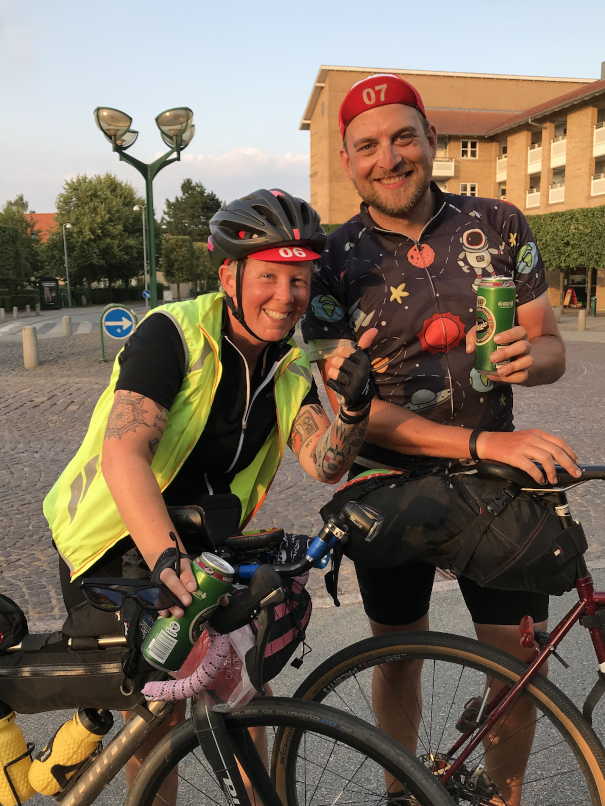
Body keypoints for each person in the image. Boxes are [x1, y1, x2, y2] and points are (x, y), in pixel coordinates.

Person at [43, 188, 376, 806]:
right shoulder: (172, 334)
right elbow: (124, 453)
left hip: (200, 541)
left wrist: (355, 409)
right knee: (160, 712)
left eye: (299, 280)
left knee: (244, 691)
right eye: (269, 276)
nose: (286, 296)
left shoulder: (289, 363)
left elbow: (323, 462)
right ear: (229, 276)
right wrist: (168, 560)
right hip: (115, 539)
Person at [301, 74, 581, 805]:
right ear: (347, 160)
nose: (388, 158)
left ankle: (501, 797)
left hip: (498, 481)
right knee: (398, 657)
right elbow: (350, 408)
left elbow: (551, 347)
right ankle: (402, 794)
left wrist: (531, 359)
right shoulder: (331, 261)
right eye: (367, 146)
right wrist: (483, 445)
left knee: (518, 667)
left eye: (403, 138)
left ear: (430, 140)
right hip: (390, 484)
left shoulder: (501, 222)